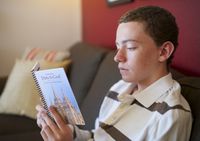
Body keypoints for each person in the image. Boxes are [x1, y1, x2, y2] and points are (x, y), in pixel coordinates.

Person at [36, 6, 192, 141]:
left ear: (163, 51)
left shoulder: (170, 117)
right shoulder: (120, 87)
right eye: (118, 47)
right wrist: (66, 132)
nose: (117, 57)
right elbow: (98, 136)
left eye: (130, 47)